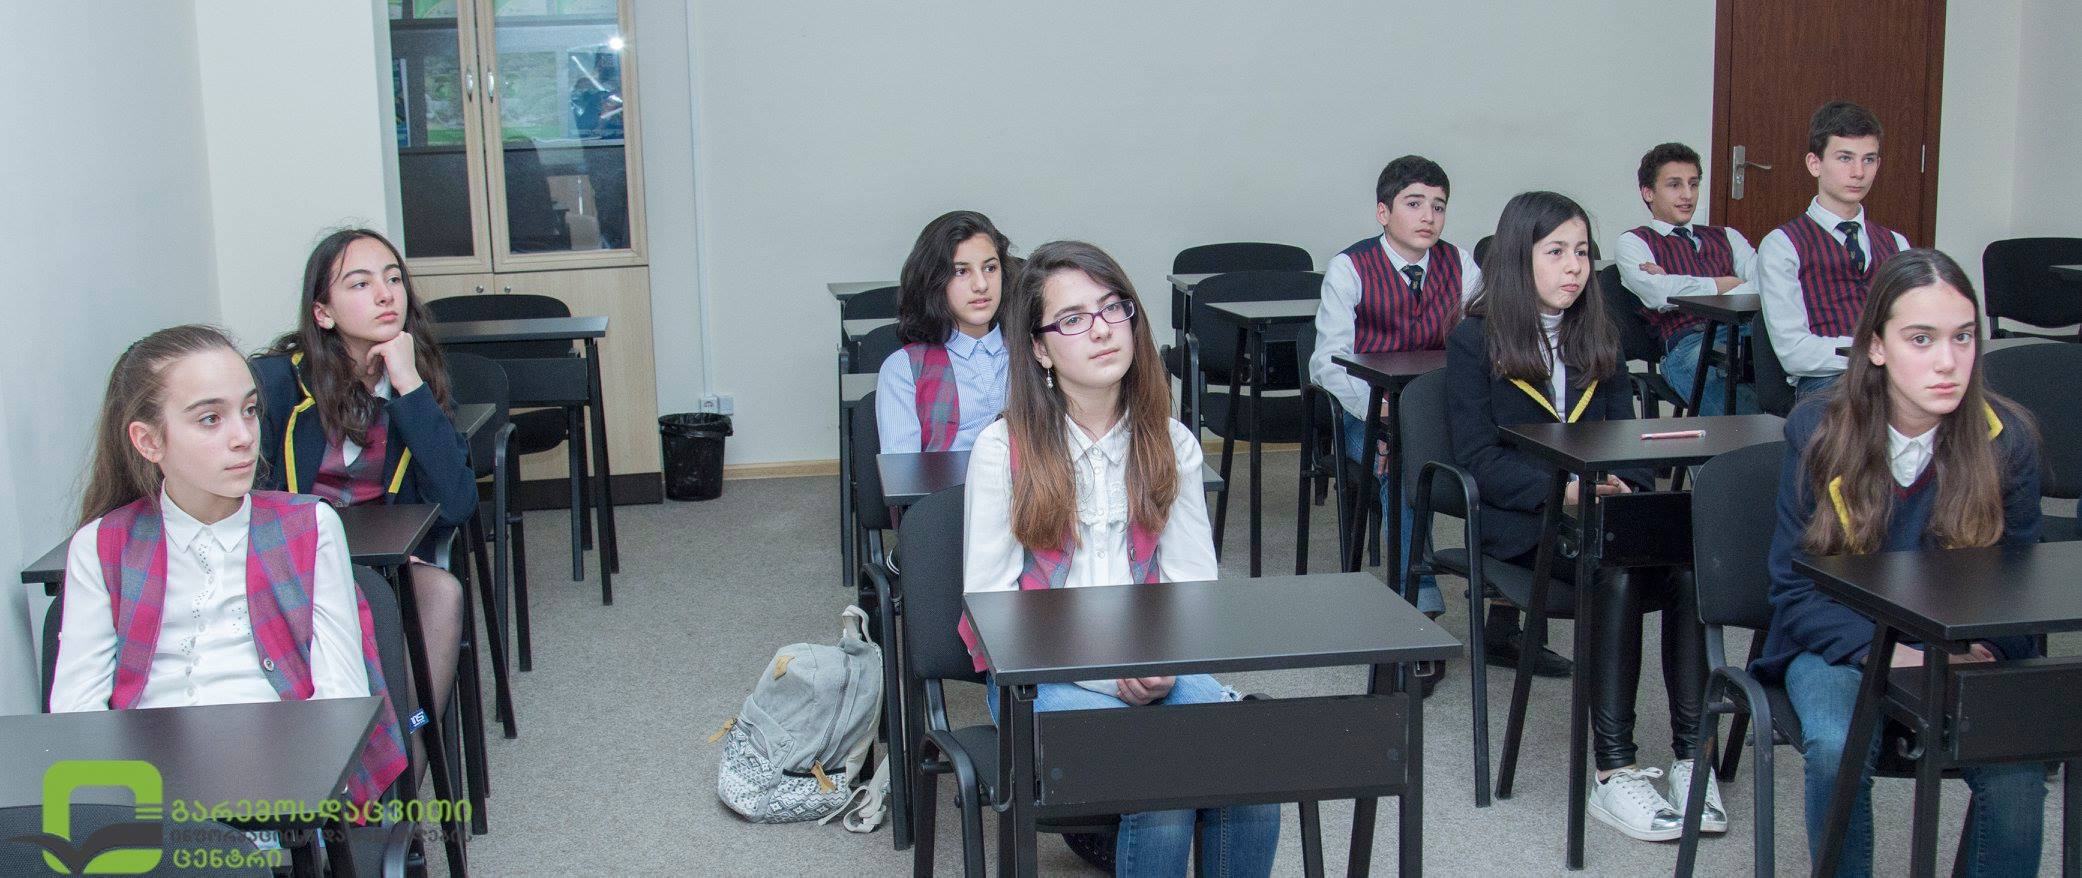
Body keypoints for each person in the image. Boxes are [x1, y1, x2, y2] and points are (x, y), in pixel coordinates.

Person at [961, 240, 1279, 875]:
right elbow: (993, 615)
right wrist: (1113, 678)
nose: (1103, 329)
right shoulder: (1004, 450)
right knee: (1160, 773)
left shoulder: (1170, 442)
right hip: (1037, 681)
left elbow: (1195, 591)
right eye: (1073, 318)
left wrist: (1160, 667)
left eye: (1113, 308)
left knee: (1248, 765)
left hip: (1155, 665)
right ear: (1040, 349)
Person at [1754, 249, 2045, 876]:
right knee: (1836, 746)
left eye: (1963, 337)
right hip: (1840, 642)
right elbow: (1794, 591)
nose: (1948, 361)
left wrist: (1985, 648)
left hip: (1962, 648)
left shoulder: (2007, 439)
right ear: (1877, 347)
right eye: (1921, 339)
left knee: (2018, 766)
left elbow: (2023, 591)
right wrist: (1899, 657)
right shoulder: (1819, 430)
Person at [1445, 191, 1712, 841]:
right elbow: (1478, 460)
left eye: (1583, 252)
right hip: (1522, 520)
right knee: (1616, 569)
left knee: (1687, 564)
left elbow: (1630, 440)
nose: (1574, 267)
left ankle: (1691, 760)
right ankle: (1614, 771)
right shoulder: (1475, 338)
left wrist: (1626, 485)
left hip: (1596, 511)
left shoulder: (1598, 335)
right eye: (1557, 251)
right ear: (1520, 258)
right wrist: (1564, 490)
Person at [50, 324, 406, 809]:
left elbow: (340, 703)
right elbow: (77, 718)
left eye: (250, 410)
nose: (243, 437)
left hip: (282, 789)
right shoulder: (101, 545)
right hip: (148, 793)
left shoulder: (309, 527)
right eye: (210, 419)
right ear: (148, 441)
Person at [254, 228, 475, 712]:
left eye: (393, 279)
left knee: (442, 591)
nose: (385, 294)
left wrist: (409, 385)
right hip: (292, 564)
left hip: (383, 565)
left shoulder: (416, 379)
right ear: (323, 313)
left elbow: (457, 503)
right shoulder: (276, 383)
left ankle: (410, 747)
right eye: (360, 283)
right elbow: (251, 499)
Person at [1757, 101, 1911, 398]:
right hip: (1828, 382)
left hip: (1896, 379)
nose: (1858, 172)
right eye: (1844, 158)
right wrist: (1873, 351)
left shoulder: (1897, 243)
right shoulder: (1782, 245)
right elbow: (1794, 352)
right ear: (1814, 164)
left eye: (1869, 160)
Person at [1616, 141, 1758, 415]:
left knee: (1788, 361)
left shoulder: (1727, 235)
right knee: (1742, 408)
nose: (1687, 195)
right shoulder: (1634, 242)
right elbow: (1658, 294)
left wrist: (1676, 282)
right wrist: (1723, 283)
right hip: (1689, 343)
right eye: (1674, 185)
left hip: (1746, 332)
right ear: (1648, 192)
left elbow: (1766, 285)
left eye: (1693, 184)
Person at [876, 210, 1014, 452]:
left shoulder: (1035, 351)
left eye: (990, 268)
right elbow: (903, 471)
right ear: (934, 280)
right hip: (948, 479)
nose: (981, 285)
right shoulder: (904, 369)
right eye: (961, 271)